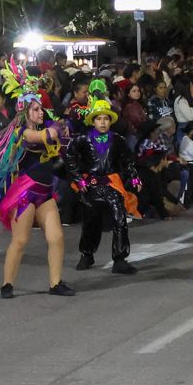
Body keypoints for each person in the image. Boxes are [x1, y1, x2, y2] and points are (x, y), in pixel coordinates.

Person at [0, 66, 75, 298]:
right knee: (21, 240)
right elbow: (45, 136)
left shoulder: (43, 126)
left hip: (45, 193)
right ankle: (7, 284)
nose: (41, 113)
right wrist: (58, 125)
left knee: (56, 238)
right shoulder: (22, 133)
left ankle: (56, 283)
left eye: (41, 109)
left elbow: (61, 140)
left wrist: (63, 127)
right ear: (25, 112)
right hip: (26, 194)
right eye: (36, 110)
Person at [66, 98, 142, 274]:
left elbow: (128, 160)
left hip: (112, 185)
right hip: (91, 186)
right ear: (93, 121)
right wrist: (78, 179)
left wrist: (134, 178)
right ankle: (87, 254)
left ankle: (120, 259)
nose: (102, 122)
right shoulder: (83, 139)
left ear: (110, 121)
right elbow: (70, 156)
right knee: (90, 222)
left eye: (106, 119)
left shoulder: (117, 140)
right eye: (99, 119)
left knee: (120, 219)